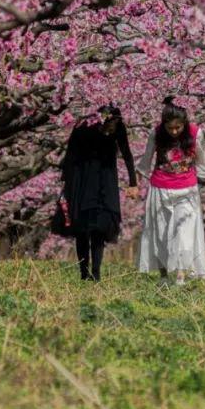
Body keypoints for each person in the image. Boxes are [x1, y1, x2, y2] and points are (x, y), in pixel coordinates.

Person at [136, 96, 205, 285]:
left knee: (184, 232)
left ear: (185, 123)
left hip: (187, 190)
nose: (174, 131)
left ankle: (181, 276)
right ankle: (164, 276)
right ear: (164, 124)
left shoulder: (195, 134)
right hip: (160, 189)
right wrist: (134, 185)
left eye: (178, 127)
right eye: (170, 128)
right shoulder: (156, 133)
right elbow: (145, 162)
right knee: (161, 233)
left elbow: (203, 164)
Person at [55, 104, 137, 281]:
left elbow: (127, 153)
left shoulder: (118, 127)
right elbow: (70, 154)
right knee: (82, 229)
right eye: (108, 124)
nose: (110, 128)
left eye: (114, 124)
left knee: (100, 228)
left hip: (105, 182)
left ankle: (96, 273)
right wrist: (67, 184)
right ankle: (84, 273)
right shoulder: (84, 125)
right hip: (82, 181)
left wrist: (133, 183)